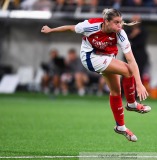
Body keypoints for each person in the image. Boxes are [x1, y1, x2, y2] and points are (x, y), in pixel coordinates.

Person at [41, 8, 151, 142]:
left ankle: (120, 127)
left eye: (121, 22)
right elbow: (70, 28)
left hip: (108, 57)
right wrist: (51, 30)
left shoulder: (120, 33)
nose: (119, 25)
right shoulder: (90, 25)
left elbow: (132, 59)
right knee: (127, 71)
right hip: (90, 58)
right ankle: (131, 104)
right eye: (116, 22)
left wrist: (139, 84)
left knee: (116, 91)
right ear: (106, 21)